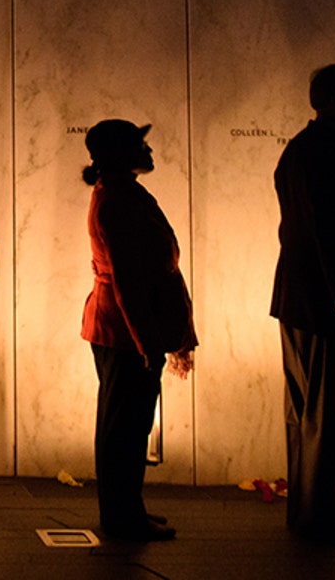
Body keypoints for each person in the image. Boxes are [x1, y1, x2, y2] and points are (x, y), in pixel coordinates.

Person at [269, 63, 335, 547]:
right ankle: (320, 515)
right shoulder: (328, 152)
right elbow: (334, 239)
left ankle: (309, 510)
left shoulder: (298, 150)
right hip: (324, 305)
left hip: (298, 300)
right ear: (334, 100)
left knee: (305, 413)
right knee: (328, 414)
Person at [79, 119, 195, 542]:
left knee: (127, 425)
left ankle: (128, 510)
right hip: (123, 331)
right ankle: (123, 516)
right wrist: (147, 343)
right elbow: (128, 279)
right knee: (125, 428)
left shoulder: (121, 194)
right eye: (139, 144)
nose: (148, 150)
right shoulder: (119, 201)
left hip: (122, 327)